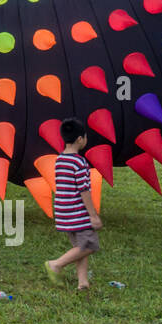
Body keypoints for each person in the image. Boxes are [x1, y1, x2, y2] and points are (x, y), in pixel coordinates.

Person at [44, 117, 102, 291]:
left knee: (79, 247)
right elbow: (84, 190)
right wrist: (93, 215)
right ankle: (55, 264)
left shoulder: (60, 160)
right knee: (89, 245)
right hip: (78, 212)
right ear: (80, 139)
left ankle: (82, 282)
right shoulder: (79, 162)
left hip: (64, 211)